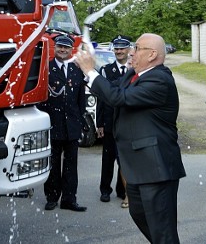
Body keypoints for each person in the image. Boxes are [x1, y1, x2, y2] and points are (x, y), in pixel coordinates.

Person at [76, 33, 185, 243]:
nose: (131, 53)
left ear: (152, 55)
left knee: (163, 230)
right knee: (139, 214)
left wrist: (90, 71)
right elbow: (110, 88)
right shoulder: (133, 75)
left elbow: (118, 98)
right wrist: (85, 68)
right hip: (137, 166)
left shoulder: (160, 79)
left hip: (156, 168)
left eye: (137, 48)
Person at [39, 34, 88, 212]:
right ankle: (52, 197)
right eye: (60, 46)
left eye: (66, 47)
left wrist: (81, 120)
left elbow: (80, 99)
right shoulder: (46, 68)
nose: (63, 50)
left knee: (71, 164)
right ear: (55, 47)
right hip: (53, 123)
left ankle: (69, 199)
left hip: (72, 125)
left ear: (71, 49)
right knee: (52, 163)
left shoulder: (76, 69)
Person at [97, 35, 130, 205]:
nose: (119, 51)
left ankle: (121, 189)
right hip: (110, 120)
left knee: (123, 158)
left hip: (125, 121)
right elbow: (101, 99)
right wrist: (100, 123)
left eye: (122, 48)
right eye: (116, 48)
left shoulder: (133, 70)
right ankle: (105, 189)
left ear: (128, 49)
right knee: (108, 158)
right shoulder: (106, 70)